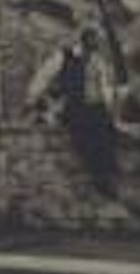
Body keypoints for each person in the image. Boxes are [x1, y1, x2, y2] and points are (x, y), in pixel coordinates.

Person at [23, 26, 120, 198]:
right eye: (92, 40)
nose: (95, 45)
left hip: (95, 106)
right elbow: (44, 76)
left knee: (105, 131)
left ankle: (107, 174)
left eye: (96, 42)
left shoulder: (99, 61)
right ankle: (99, 177)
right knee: (85, 132)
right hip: (73, 105)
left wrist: (110, 106)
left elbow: (105, 86)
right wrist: (31, 98)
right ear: (83, 40)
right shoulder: (64, 56)